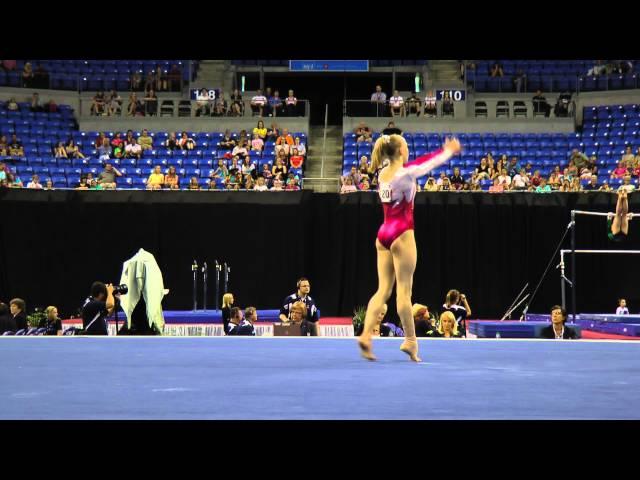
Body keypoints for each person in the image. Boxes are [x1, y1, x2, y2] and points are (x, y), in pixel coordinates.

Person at [358, 134, 462, 362]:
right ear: (400, 152)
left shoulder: (381, 174)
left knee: (382, 290)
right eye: (405, 146)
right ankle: (411, 341)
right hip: (402, 234)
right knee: (404, 293)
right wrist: (449, 150)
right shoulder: (404, 172)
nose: (408, 149)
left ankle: (366, 335)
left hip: (383, 233)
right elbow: (429, 163)